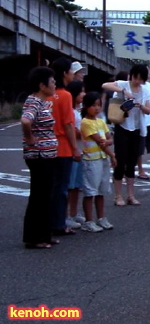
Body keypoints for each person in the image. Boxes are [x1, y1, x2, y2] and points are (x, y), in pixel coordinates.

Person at [102, 64, 150, 207]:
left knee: (131, 162)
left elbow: (148, 110)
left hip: (136, 128)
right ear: (132, 75)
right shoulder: (124, 84)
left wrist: (140, 106)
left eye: (141, 79)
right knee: (120, 161)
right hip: (122, 126)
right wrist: (122, 90)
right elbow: (105, 85)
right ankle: (118, 196)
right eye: (136, 78)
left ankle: (131, 195)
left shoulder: (144, 90)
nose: (138, 82)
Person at [21, 67, 58, 249]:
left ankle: (44, 234)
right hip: (39, 156)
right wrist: (29, 138)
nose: (54, 85)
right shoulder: (34, 101)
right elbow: (26, 120)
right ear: (42, 85)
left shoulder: (44, 102)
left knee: (45, 195)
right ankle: (34, 237)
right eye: (52, 82)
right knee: (39, 196)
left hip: (47, 155)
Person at [49, 58, 81, 237]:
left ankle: (50, 221)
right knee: (62, 188)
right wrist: (75, 148)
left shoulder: (47, 94)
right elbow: (68, 124)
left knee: (51, 187)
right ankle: (59, 224)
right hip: (62, 146)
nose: (72, 74)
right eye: (70, 71)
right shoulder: (66, 95)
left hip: (47, 145)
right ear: (64, 74)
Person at [80, 92, 117, 232]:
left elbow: (108, 139)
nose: (96, 108)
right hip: (91, 160)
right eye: (93, 105)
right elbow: (101, 141)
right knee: (90, 191)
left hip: (102, 159)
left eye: (98, 105)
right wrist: (112, 155)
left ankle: (101, 218)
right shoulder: (85, 122)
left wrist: (107, 143)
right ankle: (89, 221)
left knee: (101, 190)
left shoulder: (101, 121)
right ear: (86, 106)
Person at [64, 80, 86, 230]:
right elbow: (72, 130)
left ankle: (73, 213)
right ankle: (65, 216)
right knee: (69, 185)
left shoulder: (79, 110)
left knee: (77, 185)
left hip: (81, 151)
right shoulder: (70, 111)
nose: (83, 94)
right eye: (81, 92)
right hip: (73, 151)